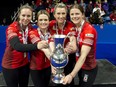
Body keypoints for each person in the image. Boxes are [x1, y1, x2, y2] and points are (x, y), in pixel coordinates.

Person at [1, 4, 48, 87]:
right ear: (19, 15)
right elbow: (17, 46)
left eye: (28, 16)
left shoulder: (30, 27)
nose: (26, 18)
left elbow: (36, 37)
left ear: (31, 16)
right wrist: (37, 46)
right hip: (11, 66)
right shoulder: (12, 28)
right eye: (23, 15)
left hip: (24, 64)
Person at [62, 4, 98, 87]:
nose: (74, 16)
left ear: (83, 14)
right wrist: (68, 48)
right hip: (80, 66)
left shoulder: (89, 30)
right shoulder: (75, 27)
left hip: (88, 68)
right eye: (72, 14)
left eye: (77, 14)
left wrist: (71, 75)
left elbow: (83, 56)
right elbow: (74, 45)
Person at [49, 2, 77, 87]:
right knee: (55, 82)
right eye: (58, 13)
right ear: (54, 14)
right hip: (54, 57)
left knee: (68, 82)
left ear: (66, 14)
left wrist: (72, 47)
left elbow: (73, 40)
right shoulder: (50, 25)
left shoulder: (70, 26)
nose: (61, 16)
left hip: (67, 58)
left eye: (63, 13)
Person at [28, 10, 53, 87]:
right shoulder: (32, 33)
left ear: (49, 21)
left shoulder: (51, 33)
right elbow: (44, 49)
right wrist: (55, 64)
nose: (43, 22)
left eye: (45, 20)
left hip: (47, 67)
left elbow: (52, 49)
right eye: (40, 20)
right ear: (37, 22)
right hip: (36, 68)